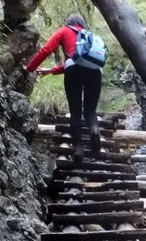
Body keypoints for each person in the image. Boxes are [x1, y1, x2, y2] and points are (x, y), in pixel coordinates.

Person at [24, 15, 102, 162]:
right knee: (90, 111)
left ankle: (78, 147)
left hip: (73, 72)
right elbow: (83, 61)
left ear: (68, 23)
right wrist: (51, 70)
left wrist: (30, 68)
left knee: (75, 111)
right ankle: (94, 129)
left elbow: (47, 50)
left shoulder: (64, 31)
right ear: (82, 24)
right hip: (95, 72)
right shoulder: (89, 36)